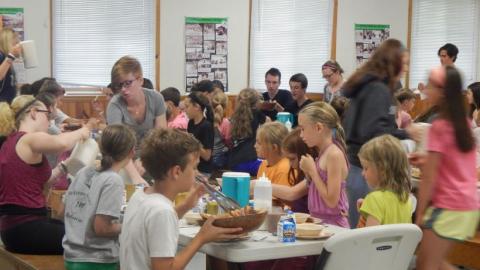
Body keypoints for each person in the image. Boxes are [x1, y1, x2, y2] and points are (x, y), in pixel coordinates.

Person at [119, 128, 242, 270]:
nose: (197, 174)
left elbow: (153, 225)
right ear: (177, 171)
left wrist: (185, 206)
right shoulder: (162, 211)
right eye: (194, 168)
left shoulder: (140, 195)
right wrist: (201, 238)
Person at [342, 39, 420, 228]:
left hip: (358, 166)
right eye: (405, 62)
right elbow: (373, 133)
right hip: (364, 169)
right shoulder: (377, 89)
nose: (407, 68)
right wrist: (407, 133)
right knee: (362, 236)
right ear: (393, 61)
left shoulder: (375, 86)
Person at [0, 95, 92, 254]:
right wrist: (85, 130)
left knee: (76, 230)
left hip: (15, 228)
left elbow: (44, 181)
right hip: (26, 228)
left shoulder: (11, 142)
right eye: (47, 115)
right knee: (90, 240)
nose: (49, 121)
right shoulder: (28, 139)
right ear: (34, 112)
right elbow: (62, 143)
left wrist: (65, 166)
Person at [411, 66, 479, 270]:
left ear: (442, 91)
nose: (426, 89)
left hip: (448, 206)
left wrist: (420, 214)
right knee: (435, 262)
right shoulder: (464, 123)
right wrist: (425, 160)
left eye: (430, 85)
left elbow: (429, 179)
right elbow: (455, 165)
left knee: (426, 264)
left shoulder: (440, 126)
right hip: (468, 205)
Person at [63, 125, 136, 270]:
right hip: (95, 261)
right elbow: (102, 228)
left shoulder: (84, 171)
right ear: (131, 152)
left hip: (72, 256)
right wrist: (130, 225)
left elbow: (62, 210)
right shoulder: (113, 180)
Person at [106, 56, 167, 185]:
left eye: (128, 83)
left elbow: (160, 137)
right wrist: (135, 177)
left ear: (140, 80)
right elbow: (118, 147)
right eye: (119, 85)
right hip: (123, 162)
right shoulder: (115, 105)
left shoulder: (156, 98)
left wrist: (145, 159)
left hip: (152, 158)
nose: (123, 89)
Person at [356, 135, 413, 227]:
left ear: (382, 169)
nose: (363, 173)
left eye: (366, 168)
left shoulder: (374, 199)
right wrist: (368, 208)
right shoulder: (405, 198)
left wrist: (370, 205)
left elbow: (369, 239)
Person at [228, 88, 266, 176]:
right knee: (272, 166)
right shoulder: (257, 114)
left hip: (233, 162)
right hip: (249, 161)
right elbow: (268, 126)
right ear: (256, 103)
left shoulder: (234, 116)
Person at [254, 122, 292, 207]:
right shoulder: (264, 164)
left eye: (259, 143)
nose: (255, 146)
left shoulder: (284, 168)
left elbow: (281, 204)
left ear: (274, 147)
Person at [185, 92, 214, 175]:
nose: (185, 110)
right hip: (193, 167)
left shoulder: (207, 126)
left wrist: (192, 140)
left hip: (204, 170)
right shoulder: (190, 123)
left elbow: (207, 156)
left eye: (187, 106)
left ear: (197, 107)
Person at [0, 28, 22, 104]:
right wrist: (11, 55)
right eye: (14, 43)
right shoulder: (1, 56)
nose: (17, 45)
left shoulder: (6, 58)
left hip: (8, 102)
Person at [211, 90, 231, 170]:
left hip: (207, 159)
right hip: (218, 160)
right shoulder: (225, 122)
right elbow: (229, 142)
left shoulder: (207, 120)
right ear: (225, 107)